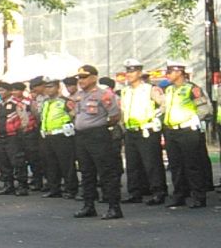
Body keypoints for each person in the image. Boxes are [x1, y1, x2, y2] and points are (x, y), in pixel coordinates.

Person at [68, 65, 124, 219]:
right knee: (86, 172)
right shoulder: (78, 96)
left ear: (94, 77)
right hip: (81, 136)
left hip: (98, 136)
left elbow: (114, 116)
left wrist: (99, 126)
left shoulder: (104, 95)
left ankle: (114, 207)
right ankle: (88, 205)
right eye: (79, 77)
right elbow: (73, 113)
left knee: (106, 171)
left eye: (84, 77)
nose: (81, 80)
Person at [161, 60, 213, 209]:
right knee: (176, 165)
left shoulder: (192, 89)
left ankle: (199, 196)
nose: (167, 75)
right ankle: (179, 195)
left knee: (192, 165)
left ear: (179, 72)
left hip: (187, 130)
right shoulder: (169, 90)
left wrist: (195, 120)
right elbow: (165, 108)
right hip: (171, 130)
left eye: (170, 72)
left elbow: (204, 109)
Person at [118, 59, 167, 205]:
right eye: (128, 71)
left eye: (132, 71)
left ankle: (158, 191)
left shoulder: (150, 89)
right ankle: (135, 192)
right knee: (132, 164)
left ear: (139, 73)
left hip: (147, 129)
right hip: (131, 130)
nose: (129, 74)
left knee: (152, 163)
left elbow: (164, 104)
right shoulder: (125, 91)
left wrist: (155, 116)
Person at [38, 76, 78, 200]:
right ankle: (54, 188)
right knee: (50, 164)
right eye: (46, 87)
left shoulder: (65, 101)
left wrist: (70, 126)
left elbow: (75, 115)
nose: (48, 90)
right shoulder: (45, 102)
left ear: (58, 87)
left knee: (66, 164)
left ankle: (71, 189)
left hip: (62, 135)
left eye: (51, 87)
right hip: (48, 135)